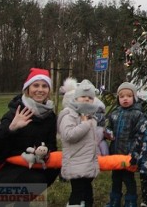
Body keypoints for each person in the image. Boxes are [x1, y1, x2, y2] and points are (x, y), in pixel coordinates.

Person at [0, 68, 59, 195]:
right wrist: (11, 129)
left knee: (52, 170)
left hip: (34, 165)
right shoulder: (15, 112)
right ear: (28, 89)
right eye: (35, 85)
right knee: (34, 180)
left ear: (49, 91)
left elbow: (52, 146)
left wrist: (44, 152)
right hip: (5, 169)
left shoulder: (50, 117)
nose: (40, 90)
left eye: (44, 86)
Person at [58, 79, 100, 207]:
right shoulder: (69, 115)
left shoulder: (90, 115)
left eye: (90, 97)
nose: (86, 99)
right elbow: (68, 135)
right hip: (76, 162)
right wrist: (85, 125)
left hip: (88, 162)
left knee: (88, 192)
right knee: (77, 192)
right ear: (76, 98)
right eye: (83, 96)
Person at [105, 82, 144, 207]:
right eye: (122, 96)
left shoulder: (137, 114)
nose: (125, 99)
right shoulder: (115, 113)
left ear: (134, 98)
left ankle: (131, 200)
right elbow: (109, 127)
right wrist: (108, 133)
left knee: (128, 179)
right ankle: (115, 200)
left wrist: (133, 151)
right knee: (115, 178)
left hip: (129, 154)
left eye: (128, 96)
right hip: (115, 152)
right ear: (118, 98)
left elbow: (139, 134)